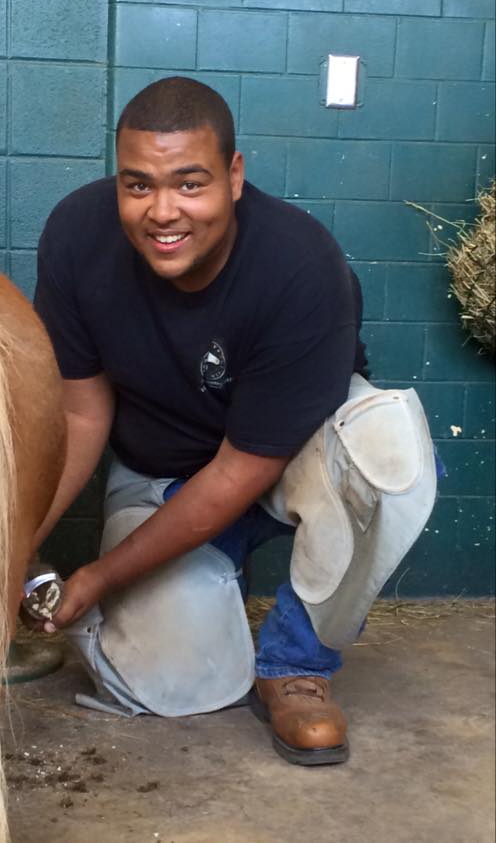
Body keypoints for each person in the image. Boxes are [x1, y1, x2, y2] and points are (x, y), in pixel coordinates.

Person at [29, 76, 436, 766]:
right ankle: (200, 599)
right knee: (169, 679)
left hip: (284, 465)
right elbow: (80, 411)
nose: (162, 211)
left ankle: (295, 663)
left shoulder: (302, 266)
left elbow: (243, 467)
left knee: (390, 447)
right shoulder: (75, 234)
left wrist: (96, 576)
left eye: (190, 184)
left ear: (234, 176)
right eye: (137, 185)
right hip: (163, 478)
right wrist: (15, 540)